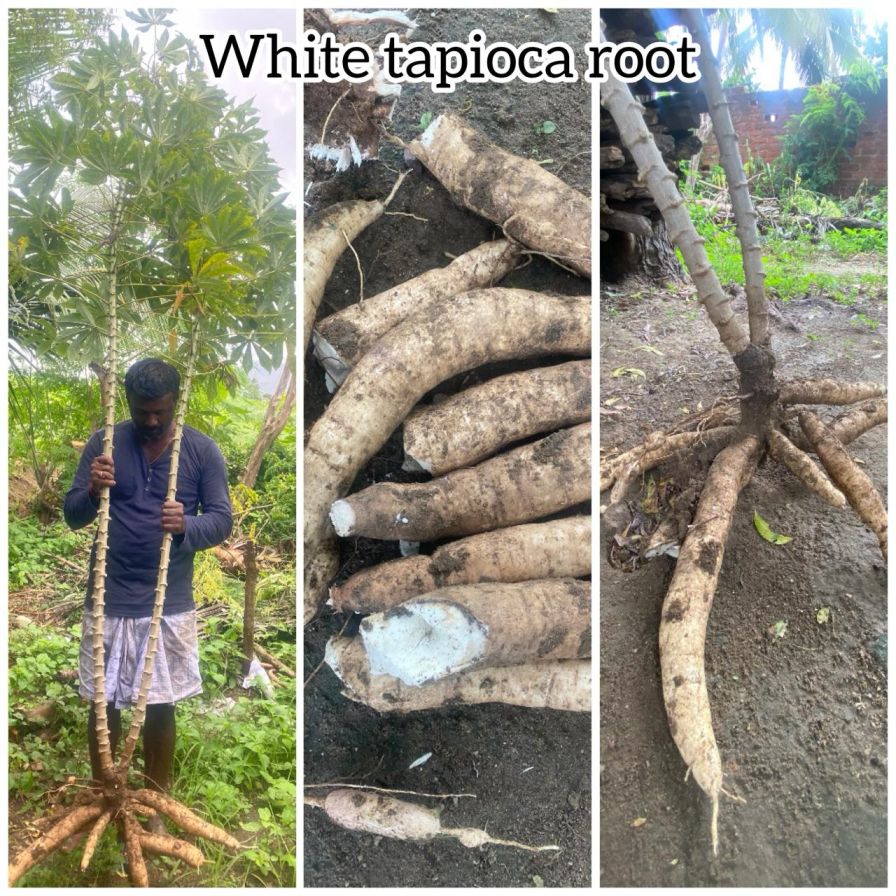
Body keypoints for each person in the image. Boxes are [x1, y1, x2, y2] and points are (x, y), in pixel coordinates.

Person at [64, 358, 232, 802]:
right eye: (142, 412)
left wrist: (187, 526)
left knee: (159, 703)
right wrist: (92, 491)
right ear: (128, 402)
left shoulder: (200, 450)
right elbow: (72, 516)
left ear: (175, 401)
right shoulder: (105, 443)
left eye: (161, 411)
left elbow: (221, 520)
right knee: (104, 704)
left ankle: (157, 797)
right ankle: (106, 794)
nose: (152, 421)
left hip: (167, 599)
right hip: (108, 593)